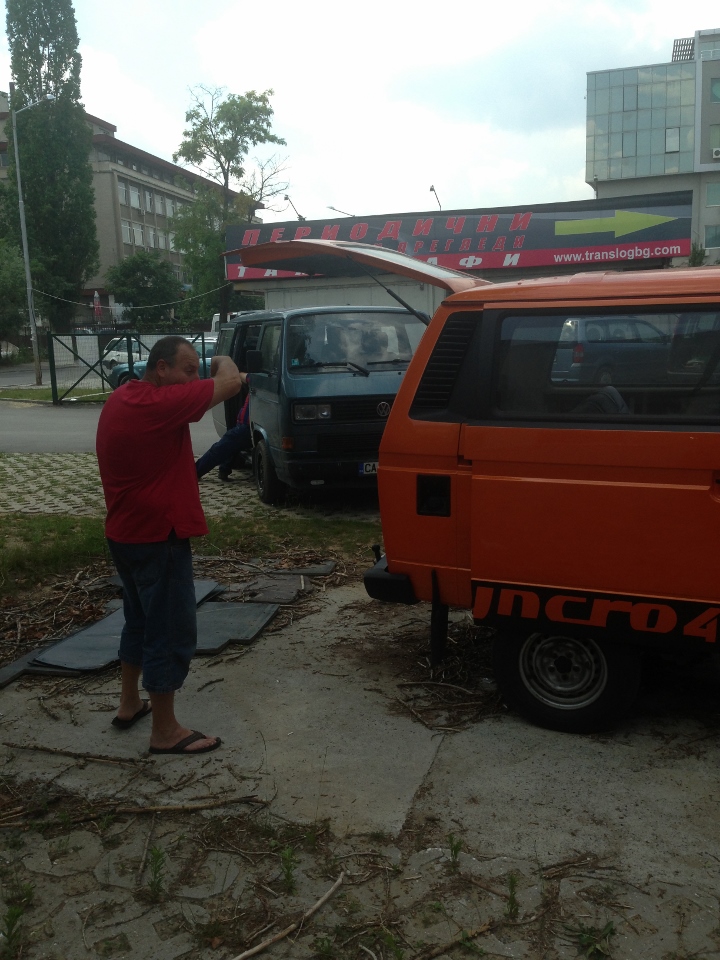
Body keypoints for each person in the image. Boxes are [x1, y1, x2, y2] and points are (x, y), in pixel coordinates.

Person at [96, 335, 243, 755]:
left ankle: (129, 703)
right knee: (169, 630)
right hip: (158, 537)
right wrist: (221, 357)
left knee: (139, 621)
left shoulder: (124, 397)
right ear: (161, 369)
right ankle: (165, 731)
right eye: (188, 370)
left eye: (197, 371)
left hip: (125, 533)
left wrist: (202, 372)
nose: (193, 380)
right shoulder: (159, 403)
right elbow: (230, 382)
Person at [195, 375, 251, 481]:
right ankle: (224, 470)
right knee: (232, 446)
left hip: (246, 426)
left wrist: (236, 373)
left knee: (219, 449)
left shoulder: (258, 380)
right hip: (245, 425)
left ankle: (195, 471)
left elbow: (246, 376)